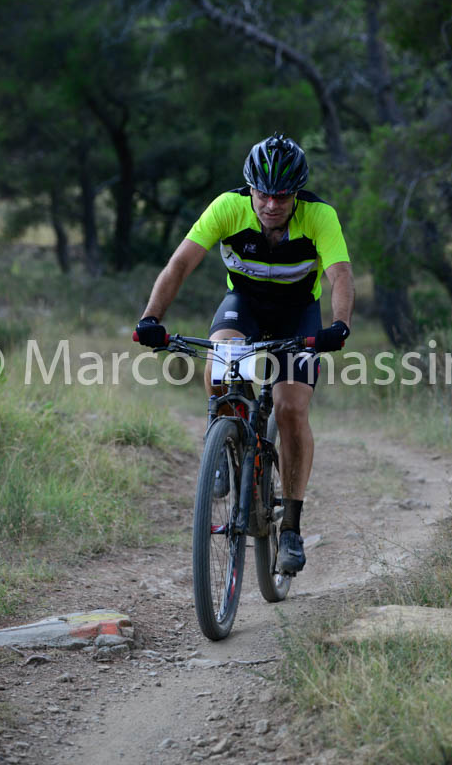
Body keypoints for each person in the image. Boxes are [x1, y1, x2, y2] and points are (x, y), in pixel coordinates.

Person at [135, 133, 354, 574]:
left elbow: (341, 275)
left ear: (297, 194)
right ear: (249, 188)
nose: (271, 204)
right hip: (245, 306)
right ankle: (223, 439)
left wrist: (339, 325)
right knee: (221, 355)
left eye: (282, 196)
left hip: (297, 313)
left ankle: (290, 528)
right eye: (262, 194)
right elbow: (180, 264)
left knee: (291, 408)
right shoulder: (227, 208)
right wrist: (151, 318)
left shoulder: (319, 216)